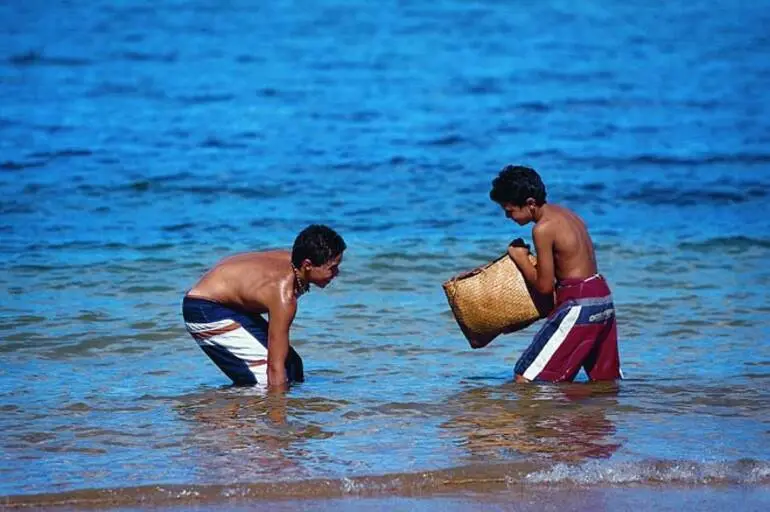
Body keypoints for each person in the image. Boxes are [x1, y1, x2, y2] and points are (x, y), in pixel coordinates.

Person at [489, 165, 621, 382]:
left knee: (526, 377)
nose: (507, 216)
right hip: (602, 299)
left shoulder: (543, 228)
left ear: (530, 203)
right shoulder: (567, 214)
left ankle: (554, 407)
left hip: (579, 303)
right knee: (605, 382)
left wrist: (520, 258)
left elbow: (545, 286)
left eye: (510, 210)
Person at [182, 225, 346, 390]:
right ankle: (234, 405)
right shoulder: (284, 295)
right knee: (266, 379)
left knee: (294, 365)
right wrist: (278, 404)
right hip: (203, 308)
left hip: (228, 304)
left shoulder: (295, 261)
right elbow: (274, 367)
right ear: (308, 265)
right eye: (332, 268)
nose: (337, 273)